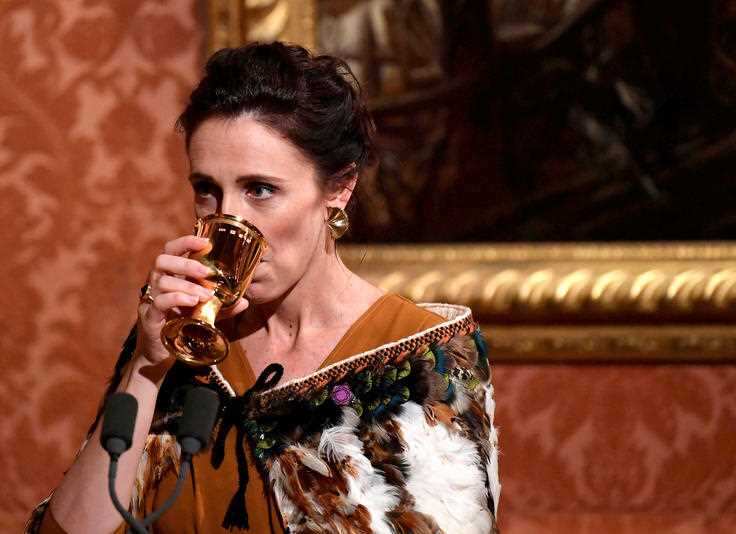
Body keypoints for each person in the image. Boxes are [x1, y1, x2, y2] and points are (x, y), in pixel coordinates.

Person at [27, 41, 499, 534]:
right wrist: (145, 370)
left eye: (261, 189)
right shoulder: (182, 340)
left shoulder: (420, 357)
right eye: (207, 190)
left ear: (338, 189)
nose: (230, 219)